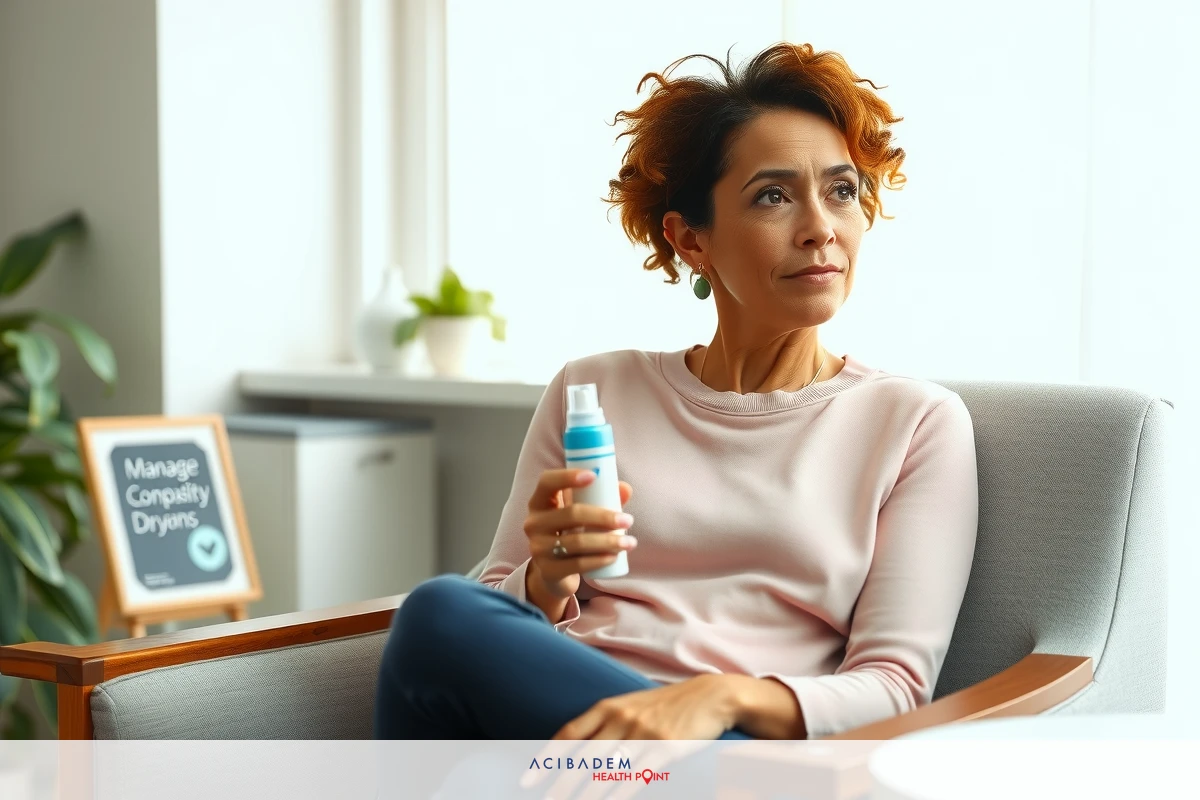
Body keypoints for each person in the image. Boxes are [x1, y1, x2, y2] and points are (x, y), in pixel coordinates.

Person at [374, 41, 979, 743]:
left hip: (730, 758)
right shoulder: (593, 388)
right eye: (774, 196)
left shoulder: (913, 423)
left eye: (842, 191)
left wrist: (718, 699)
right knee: (442, 614)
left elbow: (896, 689)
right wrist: (546, 579)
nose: (821, 228)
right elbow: (486, 632)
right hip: (569, 741)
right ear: (691, 240)